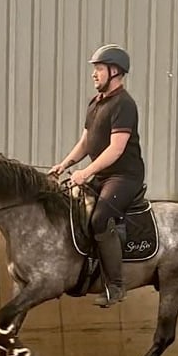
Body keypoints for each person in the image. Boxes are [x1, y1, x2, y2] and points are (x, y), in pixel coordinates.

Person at [49, 44, 146, 308]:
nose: (94, 74)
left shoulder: (124, 105)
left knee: (101, 217)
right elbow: (85, 142)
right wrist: (64, 164)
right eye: (94, 69)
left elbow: (116, 149)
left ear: (115, 72)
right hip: (102, 175)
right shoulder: (95, 103)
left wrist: (86, 172)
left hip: (124, 177)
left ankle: (115, 285)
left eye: (99, 69)